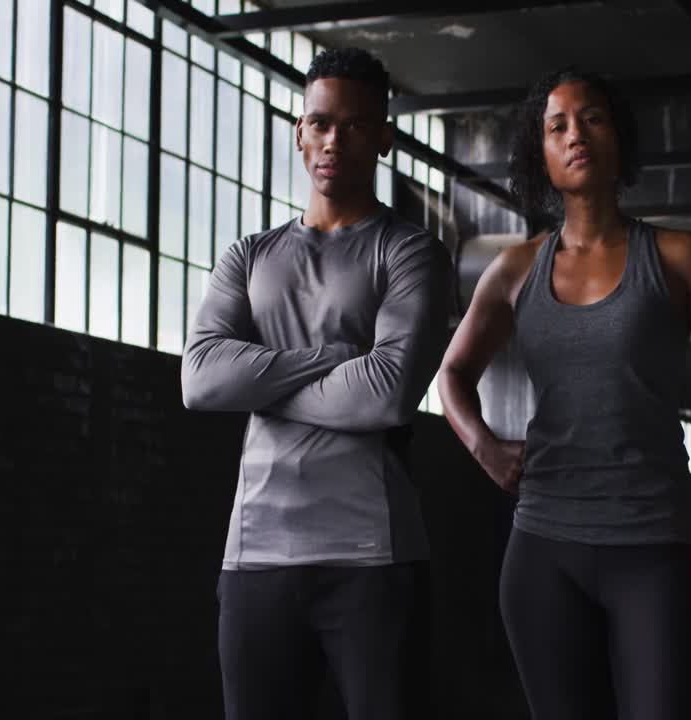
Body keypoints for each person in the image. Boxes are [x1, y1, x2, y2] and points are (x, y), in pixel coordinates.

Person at [437, 67, 691, 720]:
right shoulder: (514, 270)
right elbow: (452, 374)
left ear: (620, 140)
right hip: (543, 550)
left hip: (656, 548)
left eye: (593, 118)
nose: (575, 133)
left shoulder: (679, 257)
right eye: (557, 126)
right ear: (541, 156)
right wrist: (483, 447)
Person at [181, 47, 452, 720]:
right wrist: (330, 356)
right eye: (320, 123)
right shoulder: (248, 255)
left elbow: (387, 391)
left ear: (384, 138)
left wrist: (262, 376)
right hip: (254, 556)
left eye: (356, 125)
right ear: (299, 132)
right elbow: (201, 379)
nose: (335, 141)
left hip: (374, 556)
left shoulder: (409, 250)